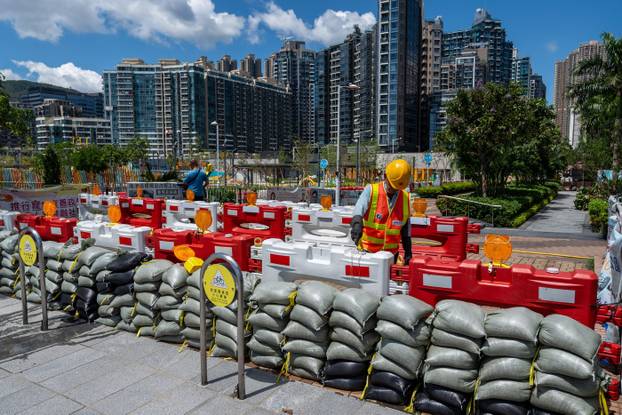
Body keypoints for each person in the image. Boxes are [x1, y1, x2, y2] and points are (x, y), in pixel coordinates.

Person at [350, 159, 412, 265]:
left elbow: (406, 228)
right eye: (392, 186)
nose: (393, 190)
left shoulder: (405, 197)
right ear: (385, 176)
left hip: (391, 256)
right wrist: (356, 225)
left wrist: (408, 251)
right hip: (367, 254)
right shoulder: (371, 191)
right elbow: (358, 210)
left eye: (396, 188)